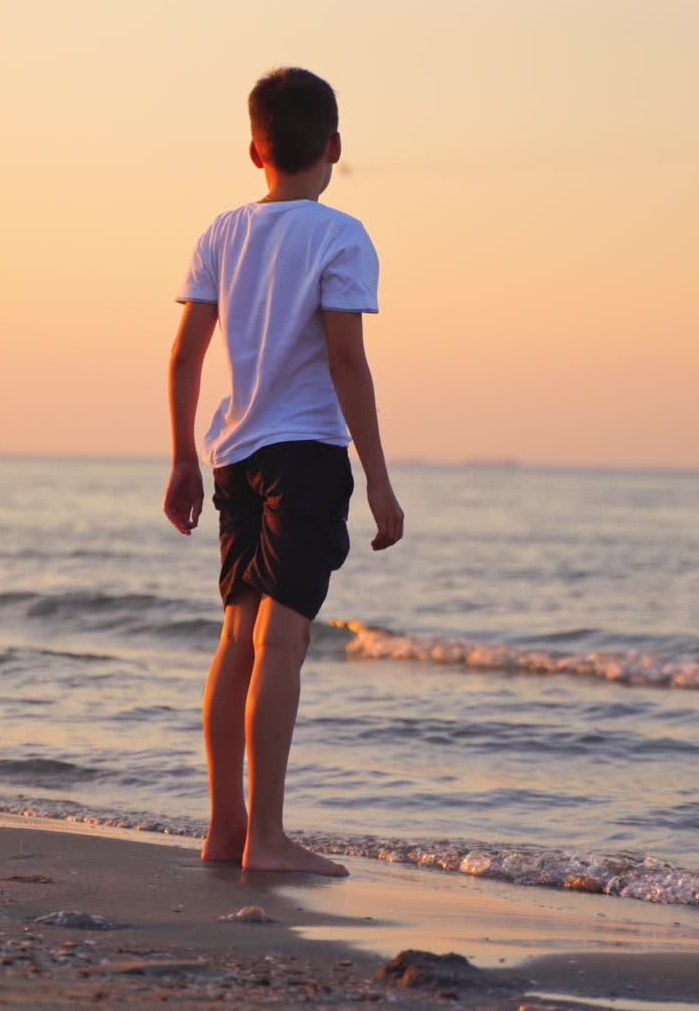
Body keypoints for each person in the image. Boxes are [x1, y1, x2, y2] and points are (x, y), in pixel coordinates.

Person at [164, 67, 404, 876]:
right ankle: (266, 839)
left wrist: (180, 459)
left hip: (232, 453)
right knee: (283, 638)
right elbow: (345, 358)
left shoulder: (221, 233)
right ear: (333, 146)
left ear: (255, 149)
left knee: (238, 634)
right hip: (304, 454)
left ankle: (225, 829)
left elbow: (187, 354)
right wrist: (378, 478)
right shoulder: (341, 236)